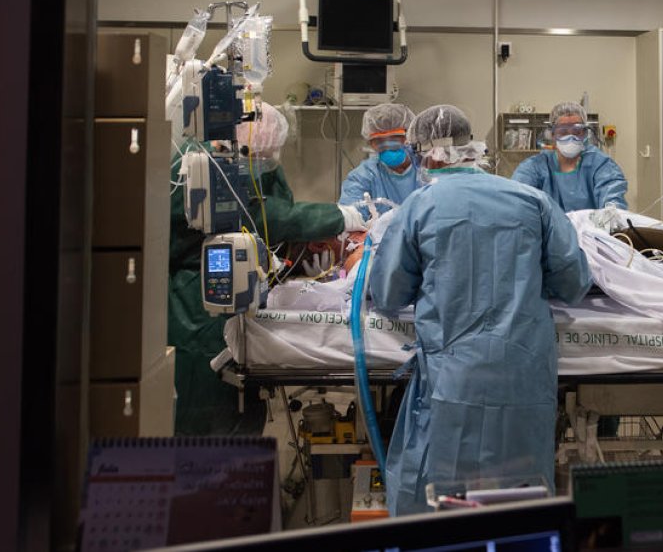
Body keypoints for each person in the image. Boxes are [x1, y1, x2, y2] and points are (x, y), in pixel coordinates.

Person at [366, 104, 592, 515]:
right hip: (522, 376)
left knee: (443, 504)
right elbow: (574, 285)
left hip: (454, 382)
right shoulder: (532, 200)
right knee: (522, 503)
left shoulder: (419, 206)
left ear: (430, 152)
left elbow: (389, 294)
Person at [168, 101, 366, 435]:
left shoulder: (251, 164)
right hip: (196, 307)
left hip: (241, 299)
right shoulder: (195, 169)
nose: (263, 164)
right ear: (237, 142)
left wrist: (298, 248)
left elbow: (272, 212)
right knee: (204, 421)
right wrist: (336, 217)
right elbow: (257, 214)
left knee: (240, 421)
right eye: (259, 156)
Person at [511, 102, 628, 212]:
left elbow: (613, 204)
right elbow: (518, 203)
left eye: (577, 132)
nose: (570, 137)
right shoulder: (534, 168)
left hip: (592, 232)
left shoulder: (600, 165)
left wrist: (610, 215)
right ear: (552, 134)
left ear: (585, 134)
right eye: (563, 132)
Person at [339, 103, 420, 216]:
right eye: (379, 141)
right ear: (370, 143)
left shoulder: (428, 168)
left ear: (410, 136)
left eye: (394, 138)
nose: (387, 145)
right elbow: (349, 218)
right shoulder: (363, 177)